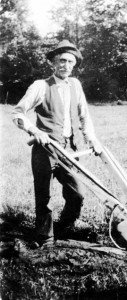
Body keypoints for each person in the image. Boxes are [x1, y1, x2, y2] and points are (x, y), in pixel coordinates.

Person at [12, 40, 102, 247]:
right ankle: (45, 236)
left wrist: (92, 139)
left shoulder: (75, 85)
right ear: (53, 62)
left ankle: (66, 226)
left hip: (67, 150)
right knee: (44, 195)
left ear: (74, 65)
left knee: (77, 193)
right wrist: (34, 130)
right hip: (44, 150)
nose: (66, 65)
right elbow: (17, 113)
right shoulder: (40, 86)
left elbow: (84, 116)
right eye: (62, 61)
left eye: (70, 62)